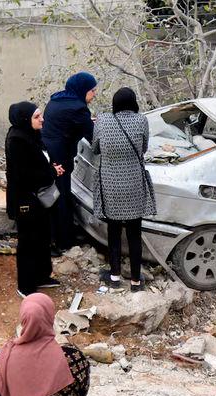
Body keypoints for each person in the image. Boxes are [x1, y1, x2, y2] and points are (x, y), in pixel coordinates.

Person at [91, 87, 156, 292]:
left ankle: (115, 276)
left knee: (114, 231)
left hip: (110, 182)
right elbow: (143, 148)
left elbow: (95, 148)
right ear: (133, 102)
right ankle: (136, 281)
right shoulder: (141, 120)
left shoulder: (102, 120)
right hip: (134, 183)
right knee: (135, 233)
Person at [5, 101, 64, 298]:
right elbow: (26, 174)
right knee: (28, 242)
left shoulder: (31, 135)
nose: (42, 119)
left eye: (40, 115)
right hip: (25, 200)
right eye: (37, 116)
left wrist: (51, 167)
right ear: (25, 119)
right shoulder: (17, 141)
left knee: (42, 237)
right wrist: (51, 172)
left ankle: (41, 276)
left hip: (38, 199)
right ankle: (26, 285)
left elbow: (41, 159)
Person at [42, 72, 98, 255]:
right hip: (60, 158)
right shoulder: (79, 109)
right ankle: (62, 241)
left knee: (56, 195)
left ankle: (58, 237)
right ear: (83, 90)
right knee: (61, 197)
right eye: (92, 90)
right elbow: (94, 138)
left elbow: (67, 123)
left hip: (50, 153)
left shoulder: (57, 100)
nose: (94, 94)